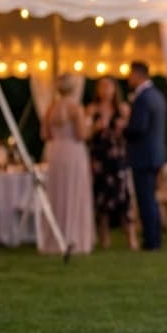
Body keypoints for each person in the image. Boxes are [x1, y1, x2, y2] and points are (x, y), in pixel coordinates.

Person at [39, 73, 94, 254]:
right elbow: (81, 135)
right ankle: (73, 236)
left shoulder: (50, 109)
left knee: (57, 194)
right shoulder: (75, 108)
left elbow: (45, 135)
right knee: (74, 192)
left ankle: (55, 237)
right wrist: (93, 125)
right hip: (73, 153)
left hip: (55, 152)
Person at [88, 76, 138, 250]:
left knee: (124, 199)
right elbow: (85, 134)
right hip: (101, 159)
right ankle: (105, 239)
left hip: (118, 158)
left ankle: (131, 238)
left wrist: (123, 126)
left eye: (108, 86)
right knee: (102, 200)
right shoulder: (92, 110)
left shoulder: (123, 109)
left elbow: (132, 132)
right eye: (101, 86)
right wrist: (95, 128)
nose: (105, 90)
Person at [125, 60, 167, 251]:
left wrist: (123, 129)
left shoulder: (142, 98)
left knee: (146, 199)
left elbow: (138, 128)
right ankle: (154, 237)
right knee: (151, 198)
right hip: (155, 155)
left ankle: (151, 241)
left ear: (138, 74)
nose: (128, 78)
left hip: (143, 156)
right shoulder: (157, 95)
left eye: (130, 74)